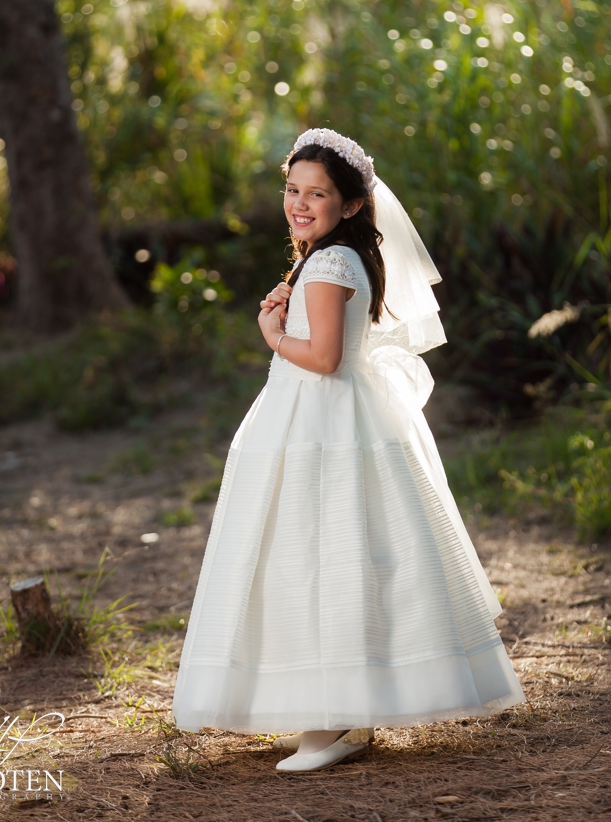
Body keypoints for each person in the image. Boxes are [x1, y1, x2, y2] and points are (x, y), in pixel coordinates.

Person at [172, 128, 524, 772]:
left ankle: (337, 717)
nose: (300, 204)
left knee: (320, 555)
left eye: (318, 194)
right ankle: (335, 707)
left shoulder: (331, 263)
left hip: (323, 420)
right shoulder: (329, 258)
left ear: (353, 204)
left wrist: (273, 333)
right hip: (316, 415)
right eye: (292, 189)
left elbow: (326, 359)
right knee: (320, 556)